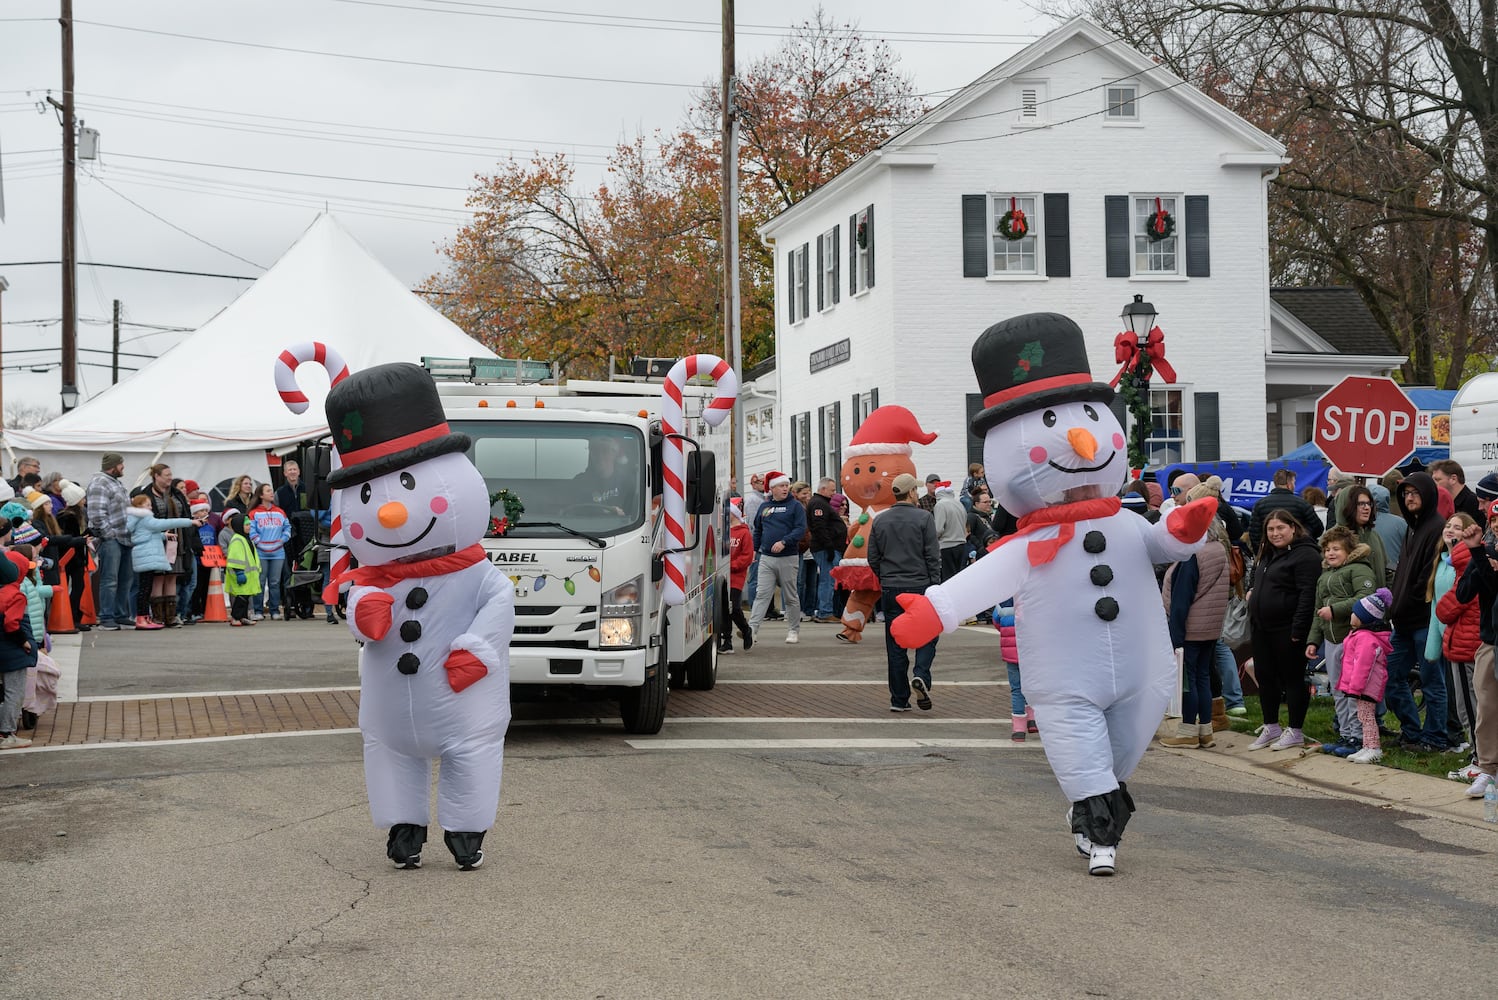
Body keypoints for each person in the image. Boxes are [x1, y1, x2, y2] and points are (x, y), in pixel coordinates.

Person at [1385, 472, 1452, 751]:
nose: (1409, 498)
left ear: (1427, 495)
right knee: (1391, 677)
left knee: (1432, 682)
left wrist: (1403, 604)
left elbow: (1427, 578)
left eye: (1415, 493)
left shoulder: (1436, 527)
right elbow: (1403, 574)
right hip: (1402, 622)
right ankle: (1412, 731)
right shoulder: (1410, 528)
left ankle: (1435, 738)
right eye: (1406, 494)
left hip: (1425, 621)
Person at [1246, 509, 1322, 751]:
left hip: (1288, 627)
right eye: (1271, 529)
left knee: (1293, 679)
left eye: (1280, 528)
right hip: (1262, 627)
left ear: (1293, 527)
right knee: (1266, 676)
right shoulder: (1268, 554)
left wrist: (1299, 629)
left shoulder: (1306, 555)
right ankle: (1271, 725)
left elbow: (1307, 595)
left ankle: (1295, 729)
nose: (1275, 533)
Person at [869, 472, 941, 713]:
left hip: (891, 586)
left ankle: (899, 699)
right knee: (928, 633)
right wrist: (934, 584)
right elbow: (932, 555)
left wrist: (885, 576)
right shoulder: (924, 518)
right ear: (911, 492)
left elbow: (873, 557)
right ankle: (921, 674)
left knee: (895, 643)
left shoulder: (880, 520)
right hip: (919, 585)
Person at [1304, 526, 1379, 756]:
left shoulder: (1359, 569)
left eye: (1336, 548)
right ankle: (1345, 734)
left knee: (1352, 691)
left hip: (1354, 639)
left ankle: (1357, 737)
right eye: (1327, 549)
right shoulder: (1324, 576)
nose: (1330, 553)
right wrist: (1314, 640)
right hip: (1332, 639)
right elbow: (1318, 610)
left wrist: (1335, 610)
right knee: (1337, 689)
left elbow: (1365, 597)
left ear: (1349, 550)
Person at [1158, 514, 1232, 749]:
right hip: (1210, 627)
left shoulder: (1193, 556)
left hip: (1190, 627)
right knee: (1203, 677)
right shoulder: (1218, 549)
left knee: (1188, 682)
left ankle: (1188, 730)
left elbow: (1181, 600)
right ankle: (1205, 729)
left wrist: (1175, 635)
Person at [1453, 501, 1498, 799]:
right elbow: (1464, 592)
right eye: (1494, 521)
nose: (1496, 526)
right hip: (1491, 641)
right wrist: (1478, 556)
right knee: (1487, 709)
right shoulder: (1485, 551)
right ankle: (1489, 770)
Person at [1430, 513, 1481, 760]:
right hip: (1461, 641)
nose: (1450, 530)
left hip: (1466, 644)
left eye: (1457, 527)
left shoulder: (1466, 564)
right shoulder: (1450, 562)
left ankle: (1479, 756)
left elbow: (1446, 607)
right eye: (1448, 525)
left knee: (1469, 707)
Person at [1338, 588, 1396, 763]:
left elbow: (1363, 666)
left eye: (1354, 613)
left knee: (1367, 716)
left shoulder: (1366, 639)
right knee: (1363, 716)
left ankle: (1374, 748)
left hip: (1365, 686)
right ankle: (1367, 746)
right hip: (1361, 685)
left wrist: (1355, 687)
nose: (1351, 616)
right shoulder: (1360, 635)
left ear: (1364, 618)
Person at [748, 471, 806, 644]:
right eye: (781, 486)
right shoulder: (764, 507)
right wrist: (754, 550)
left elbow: (800, 529)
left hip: (788, 557)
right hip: (766, 557)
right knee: (762, 594)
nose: (785, 489)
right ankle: (752, 630)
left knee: (790, 595)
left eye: (786, 486)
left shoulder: (795, 506)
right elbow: (758, 529)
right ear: (772, 488)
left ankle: (793, 630)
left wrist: (785, 541)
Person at [126, 494, 197, 630]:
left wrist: (163, 535)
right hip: (148, 556)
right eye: (147, 504)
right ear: (140, 506)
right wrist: (189, 522)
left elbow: (146, 534)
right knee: (145, 589)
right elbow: (164, 524)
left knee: (145, 588)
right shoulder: (145, 518)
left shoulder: (138, 520)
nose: (150, 507)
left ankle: (144, 617)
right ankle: (142, 618)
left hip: (145, 556)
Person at [85, 453, 135, 631]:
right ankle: (106, 616)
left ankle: (121, 615)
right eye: (121, 464)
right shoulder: (100, 483)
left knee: (125, 579)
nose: (123, 467)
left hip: (124, 537)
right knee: (110, 579)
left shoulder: (115, 482)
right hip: (111, 538)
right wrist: (108, 534)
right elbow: (96, 513)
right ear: (113, 466)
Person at [0, 553, 38, 749]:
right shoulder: (15, 596)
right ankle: (6, 734)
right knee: (14, 693)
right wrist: (24, 642)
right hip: (12, 652)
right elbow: (12, 624)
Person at [1249, 468, 1324, 549]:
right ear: (1289, 483)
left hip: (1270, 552)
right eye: (1294, 482)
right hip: (1297, 550)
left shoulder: (1260, 504)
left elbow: (1254, 533)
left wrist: (1262, 552)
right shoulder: (1302, 504)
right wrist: (1302, 538)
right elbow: (1318, 528)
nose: (1294, 486)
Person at [247, 483, 292, 620]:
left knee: (274, 582)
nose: (271, 493)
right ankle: (258, 610)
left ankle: (274, 611)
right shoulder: (254, 513)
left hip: (278, 552)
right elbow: (251, 531)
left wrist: (282, 540)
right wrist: (259, 542)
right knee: (260, 582)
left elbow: (287, 527)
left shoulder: (280, 511)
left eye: (271, 490)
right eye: (268, 491)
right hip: (261, 552)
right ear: (261, 495)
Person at [1332, 484, 1389, 584]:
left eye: (1368, 503)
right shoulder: (1332, 537)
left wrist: (1387, 592)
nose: (1366, 508)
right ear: (1347, 505)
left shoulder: (1374, 536)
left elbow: (1387, 569)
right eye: (1361, 504)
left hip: (1379, 598)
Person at [718, 501, 754, 654]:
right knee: (724, 609)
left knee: (734, 608)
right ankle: (727, 641)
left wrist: (730, 565)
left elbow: (747, 556)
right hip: (722, 577)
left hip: (736, 577)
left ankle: (746, 630)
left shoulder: (744, 533)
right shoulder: (723, 531)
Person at [806, 478, 843, 623]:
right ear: (823, 489)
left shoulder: (822, 503)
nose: (834, 493)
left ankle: (825, 610)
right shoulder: (818, 504)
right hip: (825, 548)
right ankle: (825, 612)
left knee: (828, 580)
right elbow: (819, 527)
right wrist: (829, 547)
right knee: (827, 580)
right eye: (832, 490)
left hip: (828, 547)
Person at [223, 510, 261, 627]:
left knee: (245, 597)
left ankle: (243, 617)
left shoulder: (246, 538)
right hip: (241, 575)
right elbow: (235, 558)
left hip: (248, 575)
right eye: (246, 524)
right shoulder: (237, 540)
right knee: (241, 598)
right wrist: (239, 572)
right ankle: (235, 617)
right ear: (239, 526)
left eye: (250, 524)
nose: (249, 527)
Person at [931, 481, 968, 583]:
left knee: (948, 580)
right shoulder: (959, 504)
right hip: (961, 545)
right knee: (959, 579)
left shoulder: (940, 505)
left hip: (947, 547)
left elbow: (938, 529)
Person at [1430, 459, 1483, 523]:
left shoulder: (1473, 502)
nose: (1433, 484)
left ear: (1453, 479)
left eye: (1437, 480)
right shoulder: (1443, 501)